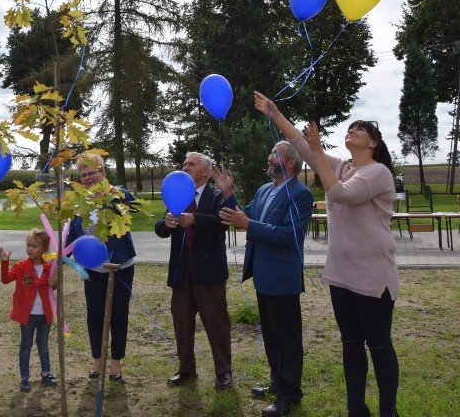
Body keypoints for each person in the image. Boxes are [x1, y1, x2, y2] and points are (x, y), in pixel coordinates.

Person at [254, 91, 400, 417]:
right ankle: (356, 408)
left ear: (373, 142)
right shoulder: (340, 166)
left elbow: (340, 193)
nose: (351, 131)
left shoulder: (377, 173)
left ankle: (388, 410)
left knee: (378, 345)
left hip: (374, 275)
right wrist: (275, 113)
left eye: (359, 129)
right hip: (342, 272)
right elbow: (301, 145)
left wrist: (318, 151)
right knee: (351, 344)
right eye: (349, 128)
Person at [212, 141, 313, 417]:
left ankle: (289, 395)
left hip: (283, 278)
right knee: (270, 335)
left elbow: (288, 235)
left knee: (287, 339)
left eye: (274, 154)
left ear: (290, 162)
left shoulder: (301, 194)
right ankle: (276, 382)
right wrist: (228, 192)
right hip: (264, 277)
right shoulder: (265, 190)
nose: (269, 158)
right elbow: (244, 215)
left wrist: (250, 225)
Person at [154, 152, 235, 390]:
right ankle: (186, 369)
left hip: (208, 270)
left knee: (216, 322)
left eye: (191, 164)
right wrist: (166, 223)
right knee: (182, 321)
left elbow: (226, 219)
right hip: (181, 270)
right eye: (184, 163)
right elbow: (159, 227)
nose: (185, 167)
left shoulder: (217, 194)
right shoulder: (176, 192)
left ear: (205, 171)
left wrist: (195, 219)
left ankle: (224, 372)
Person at [65, 152, 137, 381]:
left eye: (91, 173)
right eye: (82, 174)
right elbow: (70, 239)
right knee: (94, 315)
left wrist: (117, 195)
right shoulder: (79, 203)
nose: (87, 178)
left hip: (120, 265)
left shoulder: (117, 194)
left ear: (102, 174)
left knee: (118, 313)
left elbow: (136, 207)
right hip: (92, 270)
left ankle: (116, 362)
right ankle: (98, 359)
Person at [0, 229, 58, 393]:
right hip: (28, 316)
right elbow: (5, 280)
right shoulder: (21, 266)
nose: (30, 249)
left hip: (44, 315)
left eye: (34, 246)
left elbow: (55, 285)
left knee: (43, 345)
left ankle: (46, 374)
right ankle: (25, 378)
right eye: (28, 245)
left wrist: (54, 282)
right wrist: (5, 262)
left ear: (44, 249)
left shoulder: (49, 267)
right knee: (26, 346)